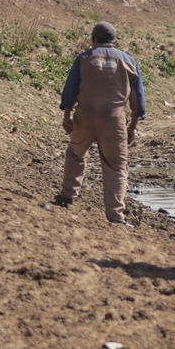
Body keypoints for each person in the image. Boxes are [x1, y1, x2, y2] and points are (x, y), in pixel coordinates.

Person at [55, 22, 146, 224]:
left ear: (93, 39)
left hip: (85, 115)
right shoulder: (129, 61)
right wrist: (133, 126)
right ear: (114, 41)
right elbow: (138, 98)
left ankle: (67, 195)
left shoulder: (84, 58)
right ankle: (115, 215)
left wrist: (67, 115)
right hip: (114, 120)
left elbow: (70, 89)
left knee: (75, 153)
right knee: (116, 166)